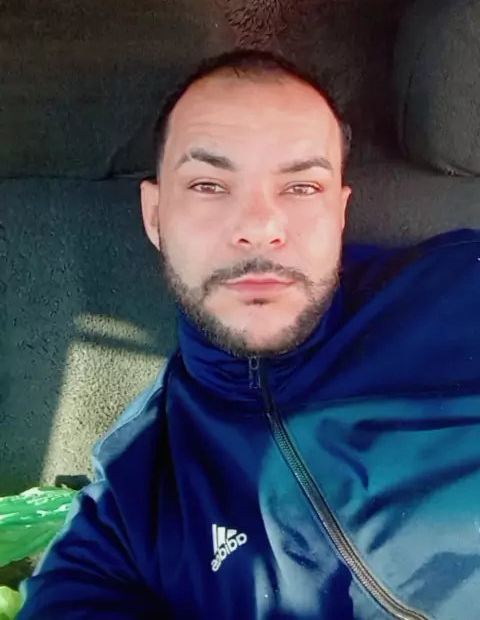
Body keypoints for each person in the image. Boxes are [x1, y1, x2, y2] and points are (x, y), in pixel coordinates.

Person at [18, 49, 480, 620]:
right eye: (209, 185)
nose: (260, 227)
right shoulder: (135, 497)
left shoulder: (463, 284)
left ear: (339, 211)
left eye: (302, 187)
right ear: (154, 214)